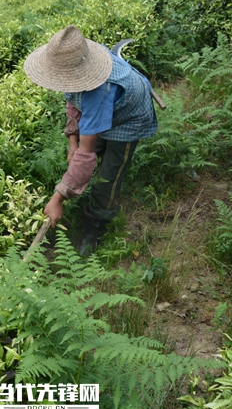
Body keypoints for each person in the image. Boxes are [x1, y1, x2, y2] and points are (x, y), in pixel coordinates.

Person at [24, 25, 158, 255]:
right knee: (89, 146)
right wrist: (73, 142)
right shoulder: (82, 60)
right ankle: (81, 190)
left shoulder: (98, 93)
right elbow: (73, 102)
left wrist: (58, 198)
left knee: (108, 176)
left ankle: (96, 224)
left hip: (128, 120)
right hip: (106, 108)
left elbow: (87, 156)